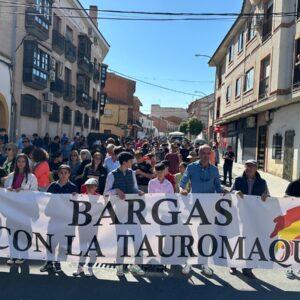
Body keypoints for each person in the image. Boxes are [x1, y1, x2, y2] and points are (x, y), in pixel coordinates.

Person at [180, 144, 225, 277]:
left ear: (210, 154)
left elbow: (218, 186)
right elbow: (183, 183)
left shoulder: (215, 170)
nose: (205, 155)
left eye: (207, 153)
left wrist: (223, 191)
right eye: (203, 153)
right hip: (194, 206)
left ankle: (204, 263)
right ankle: (189, 262)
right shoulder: (191, 167)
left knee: (206, 236)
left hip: (210, 207)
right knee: (193, 235)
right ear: (198, 154)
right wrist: (182, 189)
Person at [104, 152, 145, 277]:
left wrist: (139, 192)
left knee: (137, 238)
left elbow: (134, 188)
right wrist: (116, 190)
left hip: (133, 211)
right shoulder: (112, 175)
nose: (132, 162)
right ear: (124, 162)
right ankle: (120, 266)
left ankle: (135, 265)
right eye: (130, 161)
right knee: (121, 240)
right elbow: (106, 192)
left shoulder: (132, 173)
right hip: (119, 212)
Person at [230, 159, 269, 279]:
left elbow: (268, 197)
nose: (249, 169)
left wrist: (265, 196)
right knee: (237, 240)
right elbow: (230, 193)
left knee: (250, 242)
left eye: (251, 166)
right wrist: (236, 192)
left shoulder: (262, 182)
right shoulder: (238, 180)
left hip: (253, 217)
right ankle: (233, 265)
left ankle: (247, 268)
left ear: (256, 168)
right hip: (240, 215)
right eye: (247, 166)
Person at [40, 165, 77, 273]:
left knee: (62, 243)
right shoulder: (53, 186)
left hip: (65, 220)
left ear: (69, 174)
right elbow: (47, 200)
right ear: (58, 173)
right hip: (54, 219)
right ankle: (49, 262)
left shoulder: (73, 187)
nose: (63, 175)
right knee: (51, 241)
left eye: (66, 173)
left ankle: (58, 263)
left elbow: (74, 203)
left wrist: (75, 197)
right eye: (61, 172)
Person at [4, 153, 38, 265]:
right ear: (16, 163)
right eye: (19, 161)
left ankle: (23, 255)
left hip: (24, 210)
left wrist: (22, 190)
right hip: (12, 210)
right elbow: (5, 193)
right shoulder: (10, 176)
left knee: (23, 233)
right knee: (12, 232)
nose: (21, 163)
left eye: (23, 161)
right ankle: (13, 255)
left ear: (26, 163)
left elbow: (35, 193)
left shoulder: (32, 177)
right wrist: (8, 190)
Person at [73, 178, 99, 277]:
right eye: (88, 186)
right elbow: (76, 208)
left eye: (92, 186)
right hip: (83, 226)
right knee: (83, 247)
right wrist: (74, 198)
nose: (89, 188)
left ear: (96, 187)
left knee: (92, 248)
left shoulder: (99, 197)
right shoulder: (81, 196)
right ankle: (80, 267)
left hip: (94, 227)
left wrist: (105, 199)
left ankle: (90, 267)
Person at [283, 179, 300, 280]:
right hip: (294, 219)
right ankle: (290, 269)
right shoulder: (294, 184)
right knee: (293, 245)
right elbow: (285, 198)